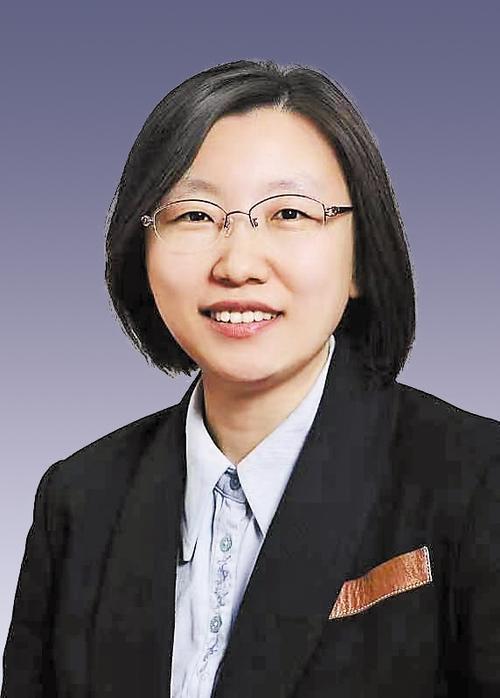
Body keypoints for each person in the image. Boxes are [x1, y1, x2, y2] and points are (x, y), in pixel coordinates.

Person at [2, 58, 499, 698]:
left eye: (289, 213)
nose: (237, 264)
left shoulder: (478, 482)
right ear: (141, 250)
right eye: (194, 215)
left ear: (361, 258)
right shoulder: (78, 499)